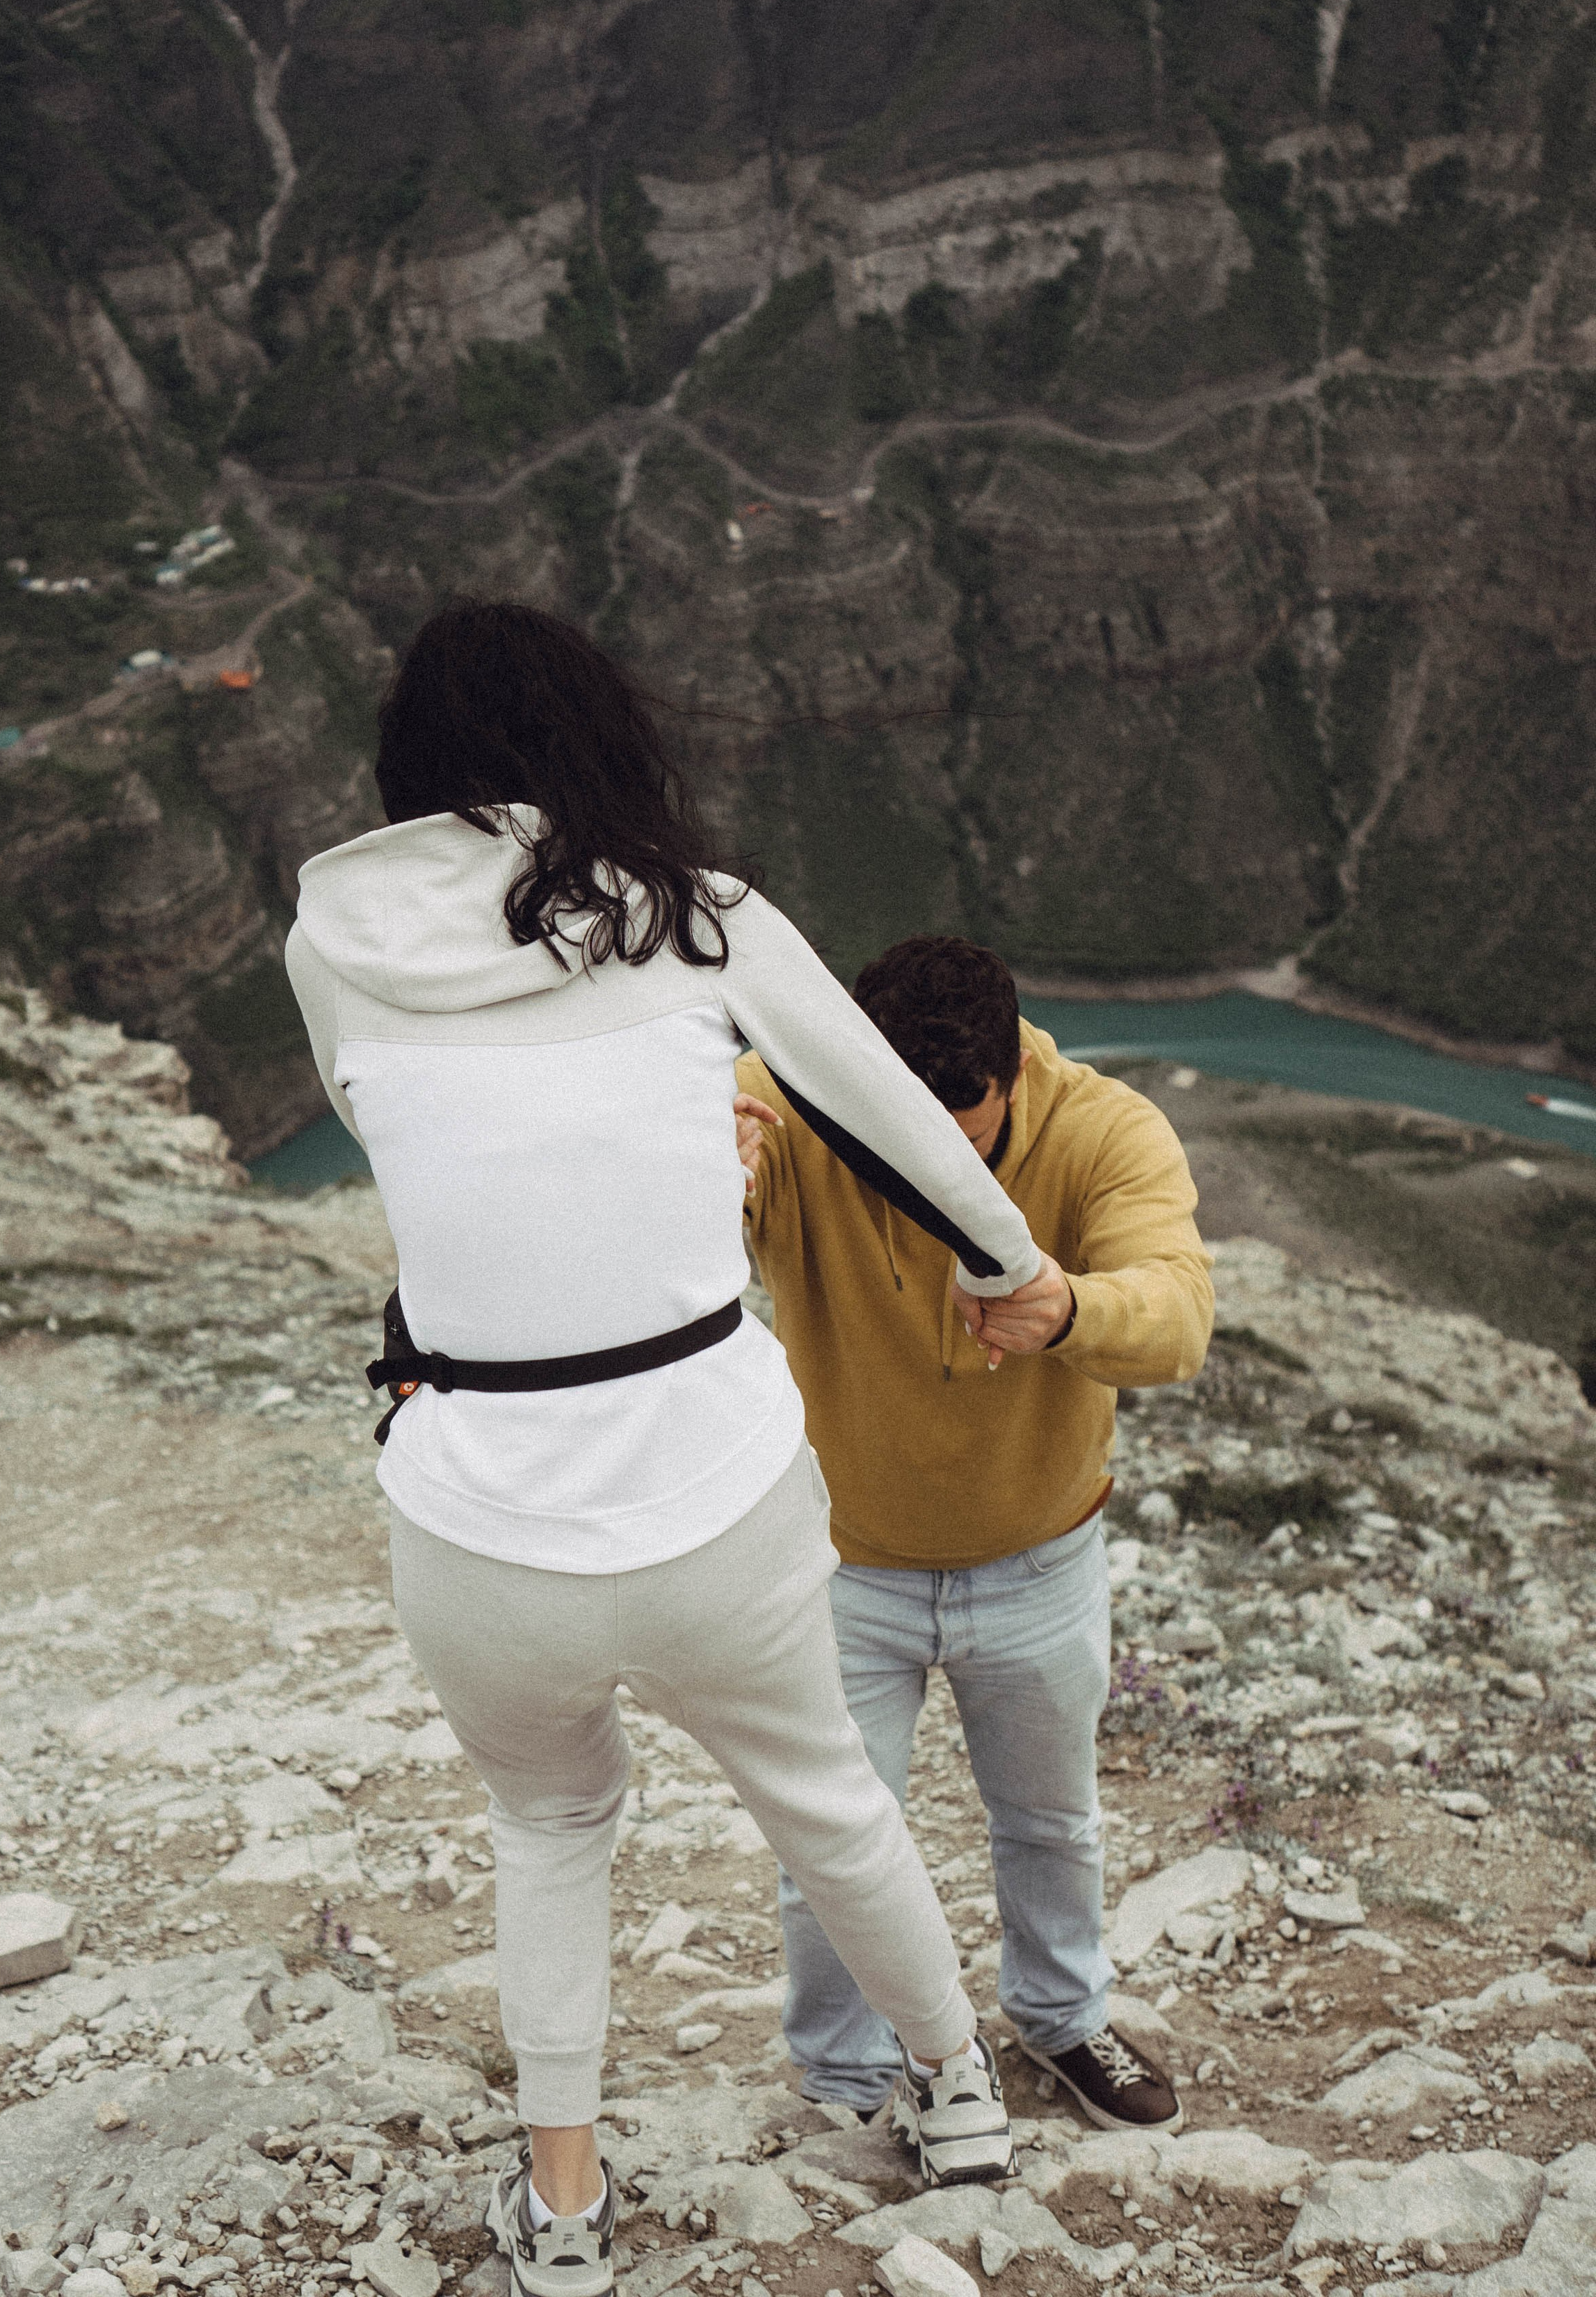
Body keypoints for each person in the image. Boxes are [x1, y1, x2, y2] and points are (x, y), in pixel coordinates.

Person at [284, 605, 1067, 2297]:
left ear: (412, 767)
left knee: (549, 1832)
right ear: (598, 739)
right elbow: (893, 1123)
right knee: (828, 1804)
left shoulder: (332, 948)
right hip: (712, 1492)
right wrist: (1016, 1274)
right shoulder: (702, 924)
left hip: (480, 1515)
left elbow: (404, 1147)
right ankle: (952, 2093)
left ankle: (563, 2214)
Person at [736, 935, 1214, 2134]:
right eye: (895, 1135)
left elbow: (1179, 1314)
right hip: (846, 1566)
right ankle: (844, 2076)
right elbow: (691, 1180)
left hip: (1041, 1558)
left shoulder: (1108, 1131)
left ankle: (1061, 2021)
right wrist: (708, 1164)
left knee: (1051, 1821)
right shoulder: (788, 1106)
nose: (924, 1170)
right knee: (831, 1842)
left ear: (1011, 1079)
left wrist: (1072, 1309)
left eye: (959, 1135)